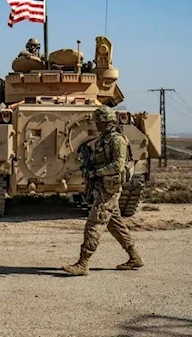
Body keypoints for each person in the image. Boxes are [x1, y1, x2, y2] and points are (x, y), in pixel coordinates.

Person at [62, 106, 144, 276]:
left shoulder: (116, 140)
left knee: (95, 222)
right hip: (103, 186)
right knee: (115, 224)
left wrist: (95, 172)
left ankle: (83, 263)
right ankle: (134, 257)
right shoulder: (103, 139)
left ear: (104, 121)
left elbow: (117, 166)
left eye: (98, 122)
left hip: (110, 188)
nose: (96, 125)